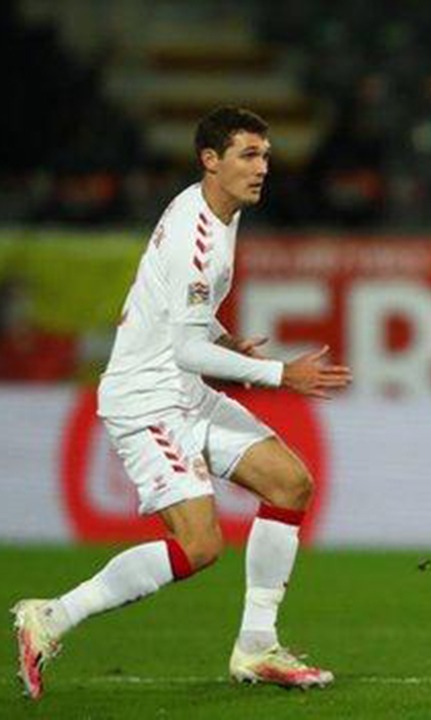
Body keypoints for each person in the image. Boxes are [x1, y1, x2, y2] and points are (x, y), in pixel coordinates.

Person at [12, 107, 352, 700]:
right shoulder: (199, 240)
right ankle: (51, 616)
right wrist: (280, 374)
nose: (262, 168)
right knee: (200, 546)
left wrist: (225, 339)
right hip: (147, 400)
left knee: (290, 485)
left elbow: (183, 318)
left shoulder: (215, 210)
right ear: (210, 160)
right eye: (249, 155)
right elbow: (186, 349)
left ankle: (257, 646)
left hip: (183, 391)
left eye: (266, 156)